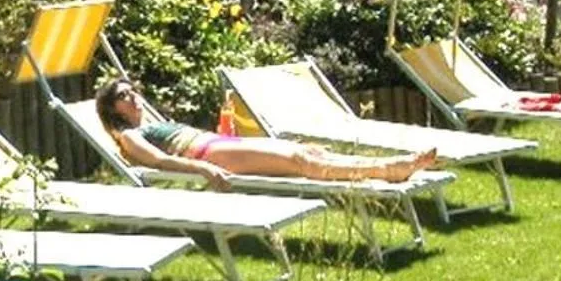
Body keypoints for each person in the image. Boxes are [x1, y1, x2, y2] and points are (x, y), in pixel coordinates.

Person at [95, 79, 437, 188]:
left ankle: (392, 165)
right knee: (303, 163)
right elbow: (160, 160)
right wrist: (204, 169)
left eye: (132, 90)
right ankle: (391, 170)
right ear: (113, 110)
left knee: (311, 154)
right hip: (208, 155)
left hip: (220, 144)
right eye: (124, 96)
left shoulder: (148, 123)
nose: (134, 96)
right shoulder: (128, 136)